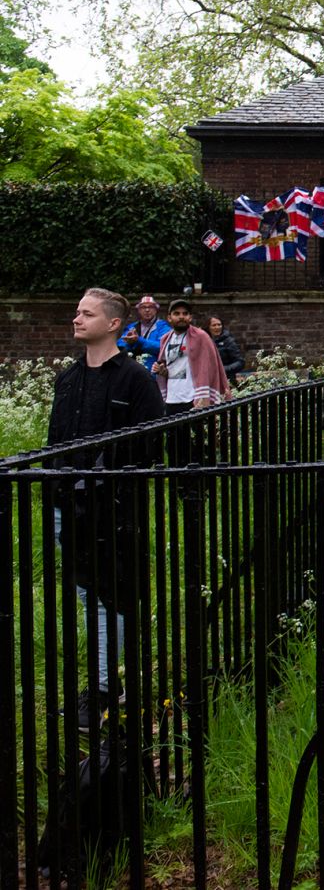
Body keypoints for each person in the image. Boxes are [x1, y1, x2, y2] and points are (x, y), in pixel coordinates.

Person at [47, 288, 165, 726]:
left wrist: (104, 478)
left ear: (114, 323)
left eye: (86, 313)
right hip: (66, 502)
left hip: (112, 504)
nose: (76, 319)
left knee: (107, 594)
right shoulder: (68, 379)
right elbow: (56, 441)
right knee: (85, 591)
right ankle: (104, 682)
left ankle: (102, 688)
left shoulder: (135, 379)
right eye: (76, 312)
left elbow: (150, 442)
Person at [153, 299, 230, 414]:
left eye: (185, 313)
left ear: (190, 317)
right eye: (177, 313)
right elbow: (174, 368)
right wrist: (162, 371)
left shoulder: (201, 337)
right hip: (172, 399)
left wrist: (205, 398)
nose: (181, 317)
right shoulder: (166, 339)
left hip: (193, 399)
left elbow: (212, 366)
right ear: (169, 318)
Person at [117, 294, 170, 371]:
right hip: (132, 369)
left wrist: (138, 341)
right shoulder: (131, 327)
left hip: (153, 371)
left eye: (151, 307)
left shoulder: (163, 327)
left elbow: (163, 347)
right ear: (138, 310)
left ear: (156, 310)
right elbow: (120, 346)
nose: (147, 310)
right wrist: (129, 343)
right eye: (143, 307)